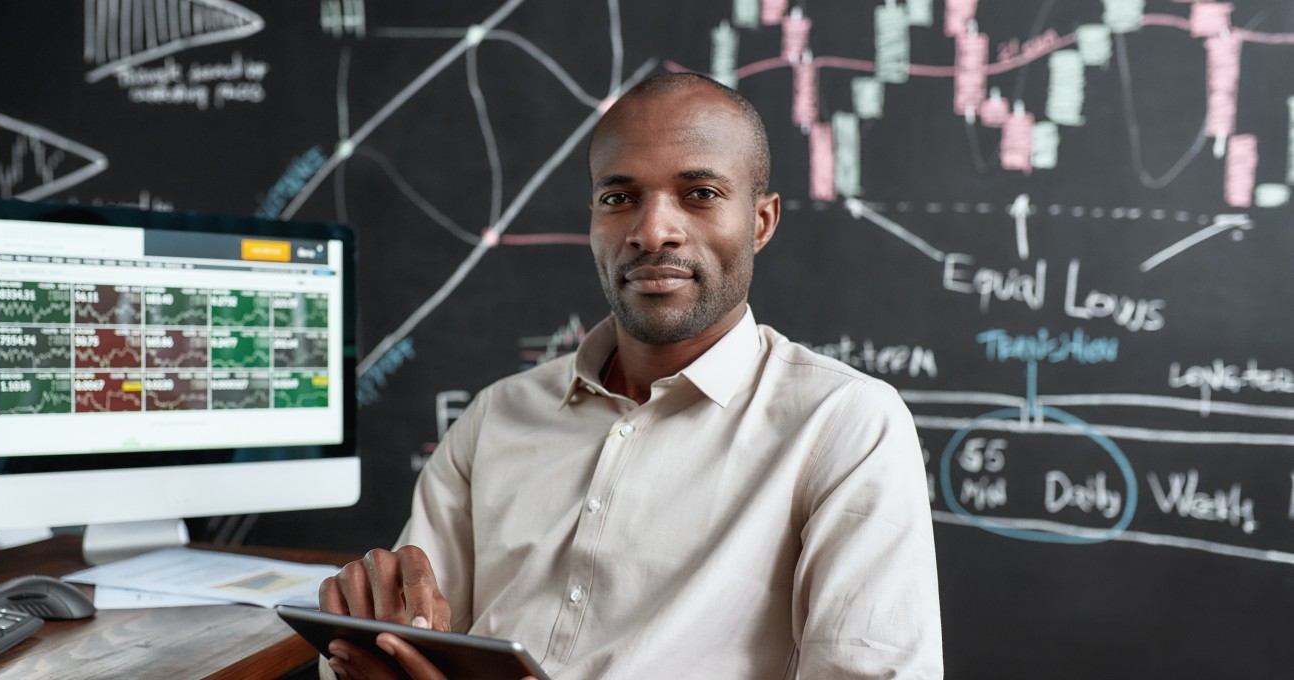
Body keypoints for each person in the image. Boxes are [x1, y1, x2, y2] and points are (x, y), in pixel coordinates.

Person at [318, 72, 943, 679]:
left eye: (699, 194)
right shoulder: (498, 415)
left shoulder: (845, 425)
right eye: (619, 199)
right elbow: (403, 636)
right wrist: (374, 631)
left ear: (762, 221)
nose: (651, 232)